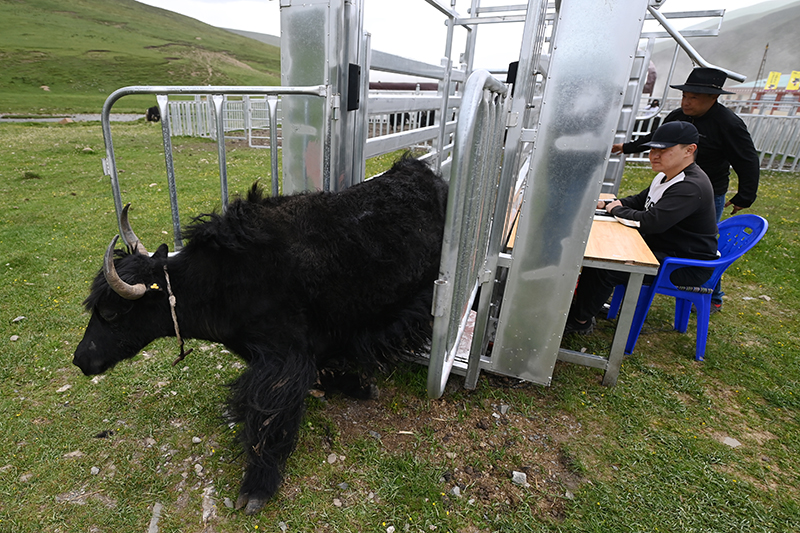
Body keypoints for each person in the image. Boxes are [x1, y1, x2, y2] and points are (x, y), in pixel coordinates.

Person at [611, 67, 760, 312]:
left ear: (713, 98)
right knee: (667, 229)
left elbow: (747, 159)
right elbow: (657, 138)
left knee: (700, 244)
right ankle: (650, 269)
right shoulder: (678, 115)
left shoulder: (729, 124)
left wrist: (745, 196)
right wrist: (627, 147)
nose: (686, 102)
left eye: (694, 98)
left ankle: (711, 295)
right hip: (673, 183)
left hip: (707, 191)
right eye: (685, 96)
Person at [565, 121, 718, 335]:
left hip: (683, 265)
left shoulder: (690, 186)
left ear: (689, 150)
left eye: (663, 150)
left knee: (605, 266)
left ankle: (579, 322)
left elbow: (650, 222)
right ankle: (585, 307)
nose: (654, 155)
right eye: (653, 149)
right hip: (664, 250)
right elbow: (638, 202)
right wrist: (609, 203)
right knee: (601, 257)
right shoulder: (666, 175)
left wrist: (614, 209)